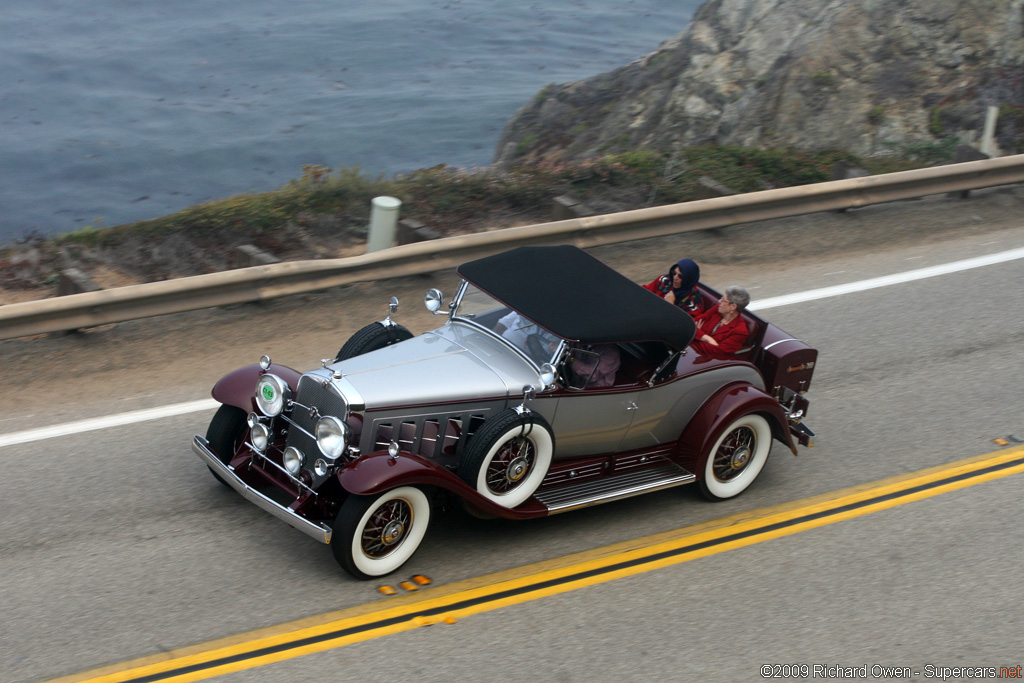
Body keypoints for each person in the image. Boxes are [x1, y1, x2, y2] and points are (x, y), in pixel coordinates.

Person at [690, 286, 751, 359]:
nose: (719, 301)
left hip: (703, 359)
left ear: (733, 306)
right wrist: (707, 339)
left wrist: (696, 334)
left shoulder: (740, 332)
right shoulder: (717, 309)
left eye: (723, 300)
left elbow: (718, 352)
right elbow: (692, 324)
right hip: (689, 349)